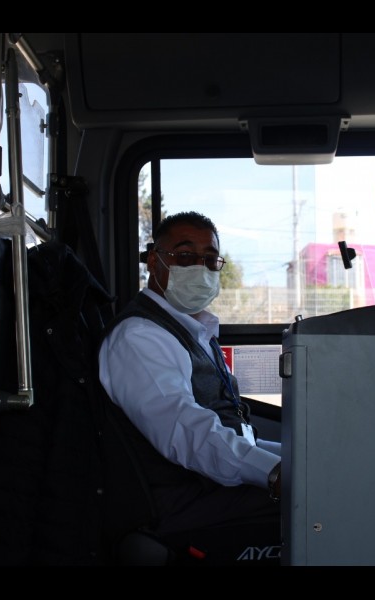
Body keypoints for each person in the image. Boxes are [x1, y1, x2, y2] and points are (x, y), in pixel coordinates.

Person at [98, 211, 282, 562]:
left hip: (209, 485)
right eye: (185, 256)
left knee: (324, 473)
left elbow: (230, 427)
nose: (200, 267)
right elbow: (184, 428)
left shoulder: (192, 332)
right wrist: (273, 472)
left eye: (210, 259)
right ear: (155, 262)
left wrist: (299, 456)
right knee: (322, 497)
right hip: (182, 501)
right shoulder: (140, 336)